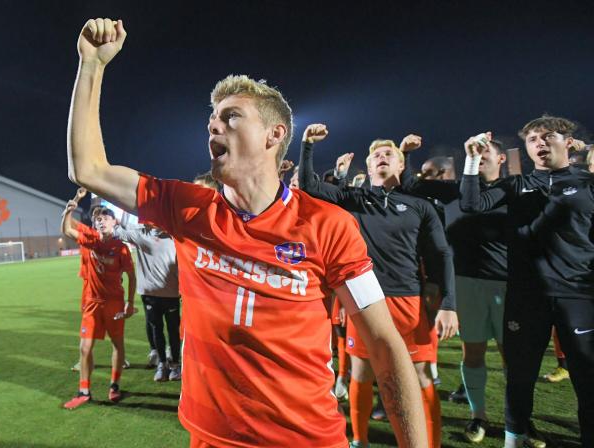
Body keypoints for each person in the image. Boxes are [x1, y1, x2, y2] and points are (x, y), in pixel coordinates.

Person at [66, 18, 427, 447]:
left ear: (275, 135)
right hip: (210, 439)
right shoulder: (187, 208)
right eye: (212, 119)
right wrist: (92, 65)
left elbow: (385, 345)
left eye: (230, 117)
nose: (213, 126)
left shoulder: (328, 225)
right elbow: (87, 169)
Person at [298, 124, 457, 448]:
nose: (382, 158)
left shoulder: (420, 206)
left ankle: (431, 443)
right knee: (362, 372)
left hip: (410, 302)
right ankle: (360, 440)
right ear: (369, 167)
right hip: (365, 301)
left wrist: (449, 303)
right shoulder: (355, 199)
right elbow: (309, 185)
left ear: (401, 165)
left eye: (389, 154)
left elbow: (441, 253)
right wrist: (307, 146)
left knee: (420, 376)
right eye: (376, 156)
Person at [459, 116, 594, 447]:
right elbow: (471, 203)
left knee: (588, 379)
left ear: (569, 142)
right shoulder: (516, 185)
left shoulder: (588, 182)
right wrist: (472, 159)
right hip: (525, 296)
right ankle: (513, 439)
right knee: (519, 377)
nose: (539, 143)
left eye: (548, 136)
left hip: (579, 295)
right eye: (533, 139)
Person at [400, 135, 509, 443]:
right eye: (478, 151)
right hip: (465, 283)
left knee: (510, 356)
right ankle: (479, 416)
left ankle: (519, 419)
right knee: (473, 352)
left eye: (488, 150)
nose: (481, 154)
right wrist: (405, 153)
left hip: (506, 284)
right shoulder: (454, 191)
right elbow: (410, 185)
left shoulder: (512, 190)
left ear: (502, 159)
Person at [61, 201, 136, 409]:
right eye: (97, 219)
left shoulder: (121, 248)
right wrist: (69, 209)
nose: (100, 221)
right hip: (92, 303)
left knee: (117, 344)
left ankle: (115, 385)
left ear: (114, 222)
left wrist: (130, 303)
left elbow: (131, 275)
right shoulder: (90, 241)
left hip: (114, 303)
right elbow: (67, 229)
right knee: (85, 348)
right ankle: (84, 391)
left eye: (104, 218)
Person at [113, 222, 181, 381]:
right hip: (149, 293)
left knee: (173, 331)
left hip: (171, 293)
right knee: (157, 330)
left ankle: (176, 365)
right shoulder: (140, 234)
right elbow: (118, 231)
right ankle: (162, 364)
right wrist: (109, 220)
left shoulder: (176, 234)